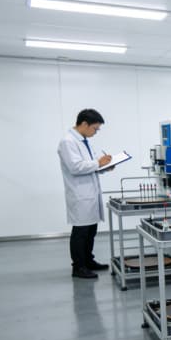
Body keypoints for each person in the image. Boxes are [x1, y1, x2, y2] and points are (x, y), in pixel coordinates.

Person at [58, 109, 113, 279]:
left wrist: (105, 167)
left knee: (90, 230)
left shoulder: (83, 141)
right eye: (95, 129)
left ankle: (88, 261)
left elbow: (90, 166)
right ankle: (78, 267)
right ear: (84, 124)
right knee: (80, 232)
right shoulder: (68, 142)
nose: (96, 132)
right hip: (80, 194)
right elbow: (75, 167)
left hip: (89, 193)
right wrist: (98, 163)